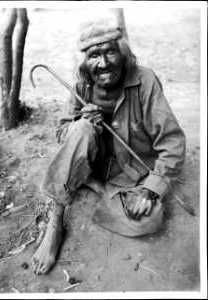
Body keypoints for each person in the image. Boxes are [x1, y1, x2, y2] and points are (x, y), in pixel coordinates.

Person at [31, 17, 186, 275]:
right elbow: (62, 132)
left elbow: (172, 142)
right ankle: (55, 221)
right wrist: (80, 121)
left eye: (110, 52)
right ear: (84, 62)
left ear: (122, 54)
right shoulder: (82, 84)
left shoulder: (144, 80)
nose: (103, 63)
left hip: (130, 172)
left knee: (151, 219)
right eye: (94, 55)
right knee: (81, 128)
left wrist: (151, 190)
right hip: (94, 158)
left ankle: (93, 184)